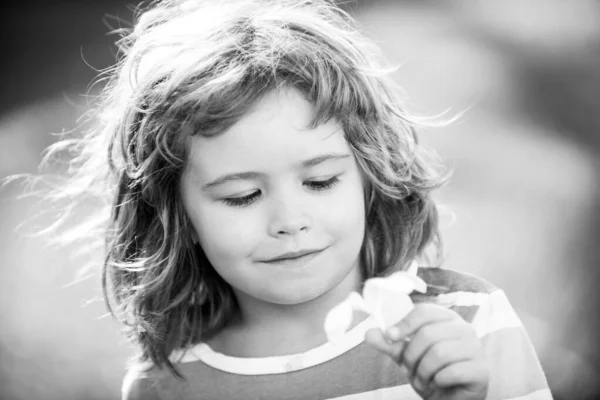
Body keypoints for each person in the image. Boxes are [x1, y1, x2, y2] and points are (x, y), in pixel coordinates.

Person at [40, 0, 552, 399]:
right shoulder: (166, 386)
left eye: (320, 182)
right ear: (180, 217)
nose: (290, 221)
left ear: (369, 177)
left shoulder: (467, 323)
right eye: (242, 197)